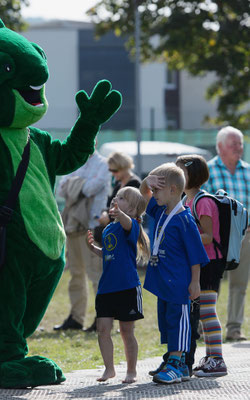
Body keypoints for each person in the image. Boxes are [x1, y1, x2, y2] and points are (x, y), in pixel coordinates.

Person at [140, 163, 209, 384]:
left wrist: (195, 282)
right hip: (164, 281)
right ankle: (172, 360)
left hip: (179, 283)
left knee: (180, 322)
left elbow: (196, 255)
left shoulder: (185, 219)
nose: (153, 194)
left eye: (157, 189)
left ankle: (177, 364)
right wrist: (147, 181)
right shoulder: (160, 210)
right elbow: (143, 196)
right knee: (168, 322)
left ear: (172, 189)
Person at [87, 186, 150, 383]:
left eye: (122, 198)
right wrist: (94, 248)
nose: (116, 198)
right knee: (103, 329)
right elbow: (108, 254)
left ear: (132, 209)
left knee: (126, 331)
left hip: (127, 288)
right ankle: (109, 369)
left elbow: (126, 221)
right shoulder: (108, 228)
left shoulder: (131, 224)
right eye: (117, 196)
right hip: (106, 289)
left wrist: (121, 213)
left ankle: (131, 371)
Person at [176, 154, 228, 377]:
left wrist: (186, 235)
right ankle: (210, 358)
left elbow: (208, 236)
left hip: (210, 263)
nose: (175, 177)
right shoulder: (187, 201)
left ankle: (217, 359)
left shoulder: (202, 201)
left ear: (190, 175)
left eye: (179, 172)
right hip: (200, 261)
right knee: (201, 312)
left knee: (207, 312)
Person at [54, 150, 110, 332]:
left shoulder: (102, 163)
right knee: (76, 274)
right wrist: (80, 184)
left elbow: (92, 188)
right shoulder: (75, 159)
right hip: (73, 225)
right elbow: (61, 189)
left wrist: (75, 183)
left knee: (96, 274)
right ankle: (76, 318)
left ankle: (102, 318)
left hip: (92, 225)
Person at [202, 126, 250, 342]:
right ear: (220, 147)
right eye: (233, 144)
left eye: (240, 144)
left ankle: (234, 328)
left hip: (244, 235)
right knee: (212, 281)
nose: (238, 148)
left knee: (239, 284)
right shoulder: (208, 171)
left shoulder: (248, 171)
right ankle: (206, 328)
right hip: (217, 237)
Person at [96, 152, 141, 242]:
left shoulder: (134, 183)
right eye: (111, 170)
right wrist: (105, 213)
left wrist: (108, 216)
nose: (113, 173)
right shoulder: (118, 184)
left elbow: (130, 209)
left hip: (125, 231)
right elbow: (110, 203)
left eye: (115, 170)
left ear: (123, 167)